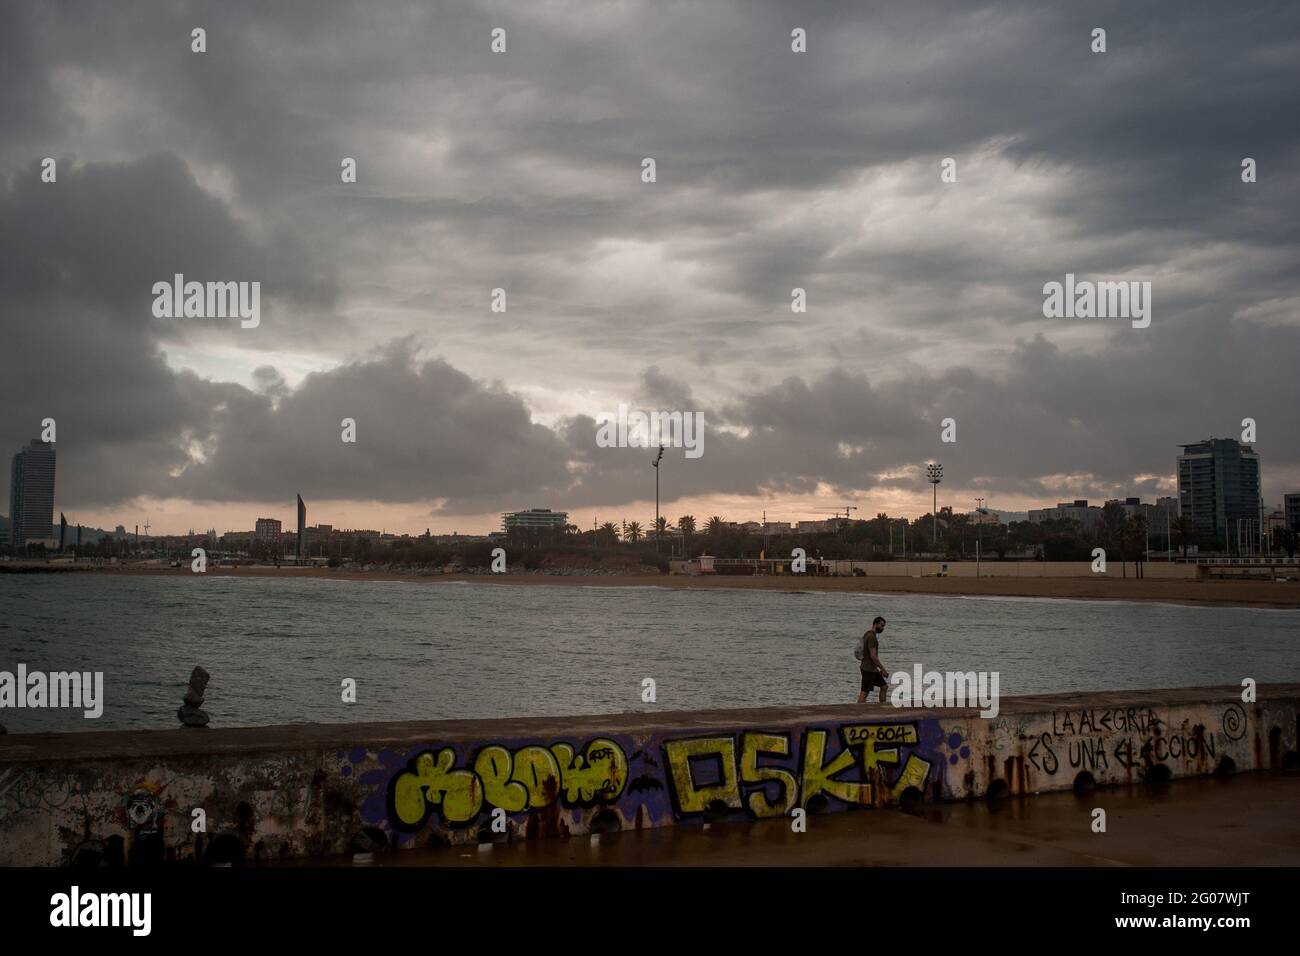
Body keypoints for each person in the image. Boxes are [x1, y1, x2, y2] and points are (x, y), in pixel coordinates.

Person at [855, 616, 890, 703]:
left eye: (884, 626)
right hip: (868, 669)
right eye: (881, 626)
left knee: (884, 687)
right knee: (865, 692)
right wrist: (883, 669)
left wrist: (878, 668)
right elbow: (873, 656)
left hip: (872, 669)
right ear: (875, 624)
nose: (882, 628)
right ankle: (857, 711)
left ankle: (882, 706)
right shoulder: (872, 637)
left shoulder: (868, 633)